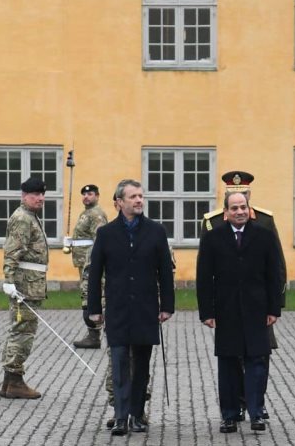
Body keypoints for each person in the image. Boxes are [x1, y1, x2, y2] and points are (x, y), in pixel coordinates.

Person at [87, 179, 175, 436]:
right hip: (118, 309)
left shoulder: (156, 231)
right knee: (119, 362)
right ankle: (121, 416)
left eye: (140, 196)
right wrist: (93, 308)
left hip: (146, 308)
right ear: (119, 203)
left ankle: (137, 415)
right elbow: (95, 274)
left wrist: (167, 306)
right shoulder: (105, 234)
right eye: (133, 197)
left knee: (142, 365)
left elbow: (165, 273)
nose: (138, 200)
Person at [200, 170, 286, 421]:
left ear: (249, 204)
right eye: (233, 204)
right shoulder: (212, 225)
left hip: (258, 306)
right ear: (226, 209)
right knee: (229, 359)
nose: (239, 209)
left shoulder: (265, 225)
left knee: (258, 356)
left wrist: (275, 306)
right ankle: (233, 408)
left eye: (244, 203)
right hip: (227, 307)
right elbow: (205, 274)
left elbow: (276, 269)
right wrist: (208, 311)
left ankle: (255, 406)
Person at [0, 177, 50, 400]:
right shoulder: (22, 218)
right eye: (34, 194)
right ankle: (14, 381)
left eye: (42, 194)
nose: (40, 198)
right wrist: (9, 280)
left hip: (31, 283)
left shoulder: (30, 217)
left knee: (22, 330)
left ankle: (10, 383)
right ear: (24, 195)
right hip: (24, 285)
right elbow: (12, 252)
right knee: (23, 332)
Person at [70, 184, 109, 349]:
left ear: (97, 196)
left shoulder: (97, 215)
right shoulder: (86, 213)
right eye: (84, 194)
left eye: (90, 194)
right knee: (86, 295)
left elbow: (99, 240)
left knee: (93, 295)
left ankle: (96, 335)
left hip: (90, 263)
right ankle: (93, 334)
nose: (86, 197)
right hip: (82, 261)